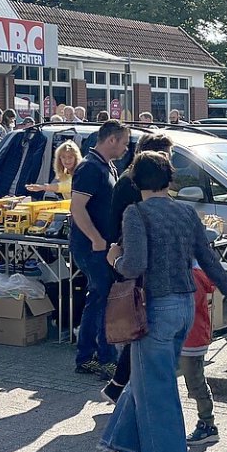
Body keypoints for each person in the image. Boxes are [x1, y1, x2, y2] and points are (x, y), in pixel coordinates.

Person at [92, 152, 227, 452]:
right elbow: (208, 258)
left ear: (135, 182)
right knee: (145, 383)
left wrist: (114, 258)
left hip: (154, 309)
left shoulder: (135, 213)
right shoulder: (185, 212)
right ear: (169, 180)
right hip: (185, 306)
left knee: (157, 389)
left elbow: (133, 265)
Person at [100, 133, 174, 404]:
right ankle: (121, 386)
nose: (170, 162)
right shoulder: (133, 186)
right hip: (132, 263)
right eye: (167, 156)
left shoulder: (132, 182)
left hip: (133, 260)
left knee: (141, 328)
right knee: (139, 327)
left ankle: (118, 386)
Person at [71, 120, 130, 379]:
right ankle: (105, 359)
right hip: (92, 248)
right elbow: (77, 208)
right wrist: (96, 239)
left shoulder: (107, 166)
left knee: (98, 299)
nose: (127, 148)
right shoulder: (89, 168)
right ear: (112, 140)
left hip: (103, 247)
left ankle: (87, 357)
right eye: (125, 142)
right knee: (104, 299)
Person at [179, 266, 223, 446]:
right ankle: (206, 422)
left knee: (195, 383)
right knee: (194, 381)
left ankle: (207, 423)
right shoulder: (190, 274)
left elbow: (188, 304)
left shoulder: (189, 276)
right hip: (191, 338)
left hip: (192, 339)